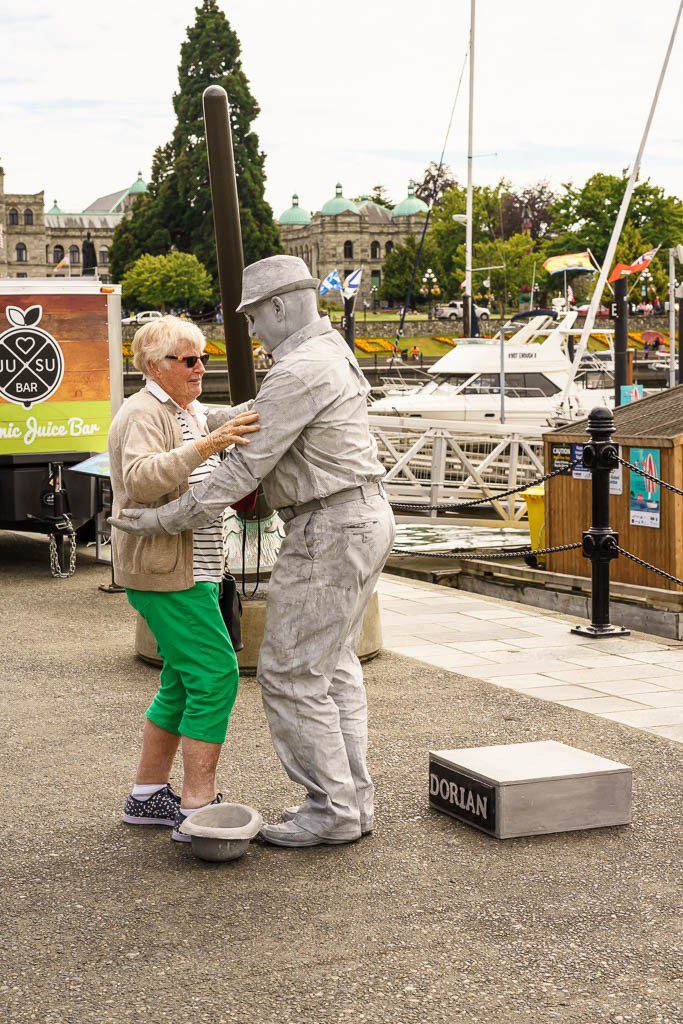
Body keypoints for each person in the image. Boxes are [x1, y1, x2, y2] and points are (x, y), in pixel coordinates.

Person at [111, 255, 396, 849]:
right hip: (358, 519)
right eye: (189, 359)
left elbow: (240, 468)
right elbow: (247, 422)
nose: (250, 334)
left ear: (280, 306)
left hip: (329, 528)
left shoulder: (298, 370)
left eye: (251, 319)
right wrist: (207, 424)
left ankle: (332, 809)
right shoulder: (331, 353)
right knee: (333, 666)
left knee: (291, 672)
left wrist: (155, 521)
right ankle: (350, 802)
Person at [108, 315, 260, 843]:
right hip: (167, 573)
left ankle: (147, 796)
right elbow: (140, 480)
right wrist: (209, 445)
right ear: (154, 366)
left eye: (205, 357)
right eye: (188, 359)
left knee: (179, 681)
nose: (201, 368)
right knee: (216, 674)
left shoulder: (184, 408)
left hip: (191, 568)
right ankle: (197, 808)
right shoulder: (144, 412)